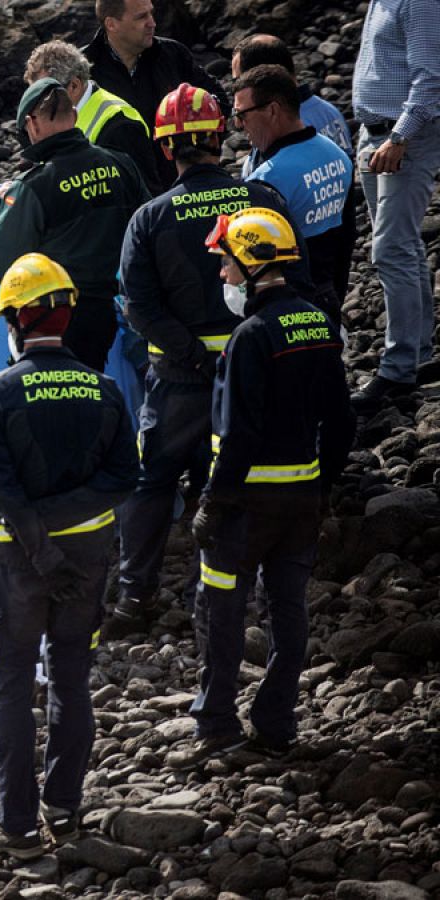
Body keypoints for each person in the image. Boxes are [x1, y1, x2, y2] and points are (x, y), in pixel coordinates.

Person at [112, 83, 314, 632]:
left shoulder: (149, 218)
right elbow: (296, 282)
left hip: (178, 382)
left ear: (164, 148)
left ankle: (135, 598)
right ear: (220, 136)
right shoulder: (262, 201)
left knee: (152, 480)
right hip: (258, 377)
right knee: (232, 479)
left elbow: (140, 310)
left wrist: (197, 360)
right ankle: (225, 594)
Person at [171, 208, 354, 765]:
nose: (222, 274)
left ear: (252, 263)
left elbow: (238, 434)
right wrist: (323, 487)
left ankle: (217, 725)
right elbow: (341, 420)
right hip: (302, 502)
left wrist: (213, 501)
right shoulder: (319, 324)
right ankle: (276, 724)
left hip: (245, 507)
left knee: (220, 610)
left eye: (227, 263)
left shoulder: (249, 336)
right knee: (288, 610)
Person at [0, 254, 138, 858]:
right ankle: (64, 810)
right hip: (87, 559)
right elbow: (125, 477)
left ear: (18, 318)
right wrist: (66, 529)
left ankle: (17, 828)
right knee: (71, 680)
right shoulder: (105, 389)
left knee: (12, 687)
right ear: (66, 316)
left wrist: (41, 546)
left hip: (18, 563)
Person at [0, 77, 149, 372]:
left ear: (32, 125)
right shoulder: (121, 164)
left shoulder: (33, 186)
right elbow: (148, 232)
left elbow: (0, 264)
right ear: (73, 115)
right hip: (125, 307)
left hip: (58, 315)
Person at [347, 0, 440, 411]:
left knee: (391, 250)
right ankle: (417, 353)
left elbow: (431, 77)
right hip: (374, 136)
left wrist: (399, 138)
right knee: (404, 246)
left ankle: (398, 369)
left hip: (404, 141)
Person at [232, 35, 358, 312]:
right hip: (328, 292)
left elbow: (255, 260)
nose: (239, 125)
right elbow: (347, 237)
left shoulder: (268, 179)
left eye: (242, 115)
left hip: (289, 303)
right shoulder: (336, 154)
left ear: (272, 110)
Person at [82, 0, 230, 189]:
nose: (152, 23)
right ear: (111, 24)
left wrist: (198, 154)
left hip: (183, 186)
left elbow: (220, 101)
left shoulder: (173, 54)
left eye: (151, 13)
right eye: (141, 17)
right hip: (119, 191)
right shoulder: (83, 70)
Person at [26, 39, 164, 193]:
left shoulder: (121, 125)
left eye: (44, 96)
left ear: (74, 86)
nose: (38, 104)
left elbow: (144, 192)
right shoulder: (65, 115)